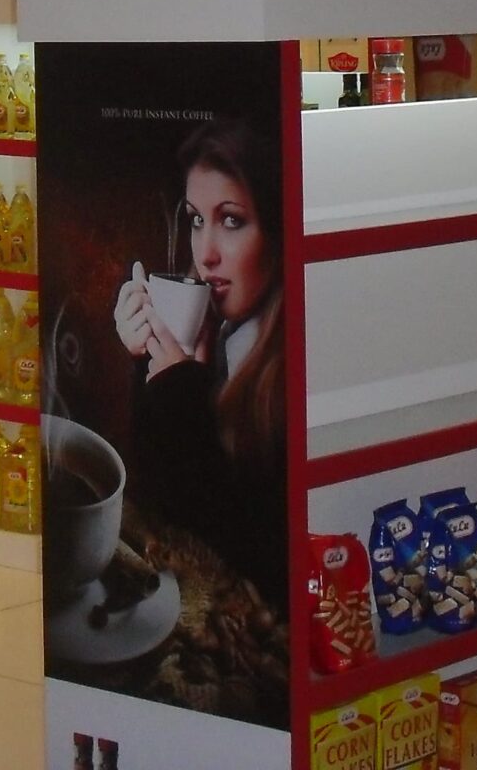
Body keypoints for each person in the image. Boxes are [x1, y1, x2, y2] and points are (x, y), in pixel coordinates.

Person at [111, 118, 286, 608]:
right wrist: (146, 359)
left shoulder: (289, 363)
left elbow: (247, 548)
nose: (206, 254)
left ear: (277, 231)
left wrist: (181, 391)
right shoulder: (217, 332)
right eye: (195, 220)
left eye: (231, 221)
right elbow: (160, 500)